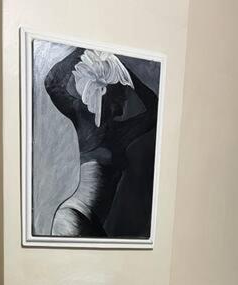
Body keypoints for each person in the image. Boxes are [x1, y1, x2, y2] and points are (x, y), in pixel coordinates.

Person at [44, 48, 158, 238]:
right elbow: (52, 83)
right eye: (120, 96)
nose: (123, 105)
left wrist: (123, 74)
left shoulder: (121, 133)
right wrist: (81, 48)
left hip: (89, 221)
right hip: (73, 216)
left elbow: (154, 109)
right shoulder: (83, 119)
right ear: (105, 93)